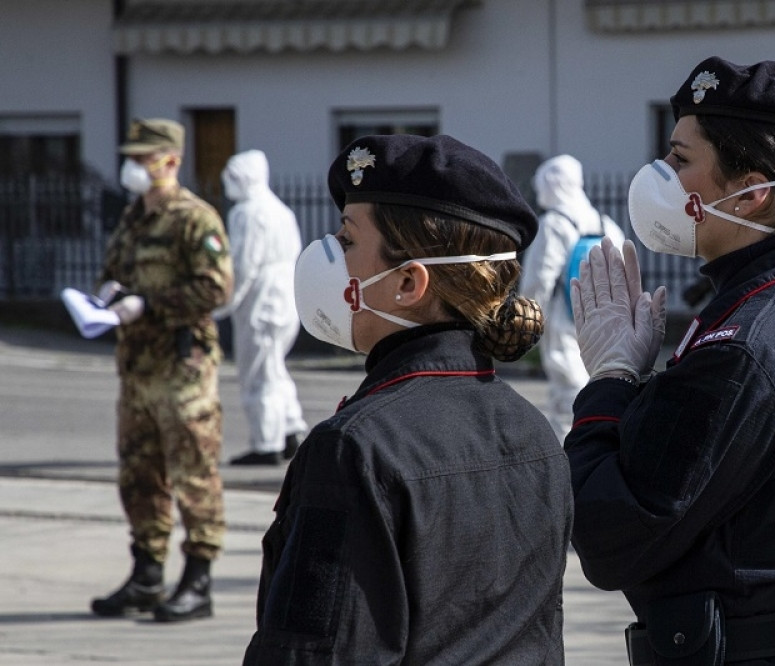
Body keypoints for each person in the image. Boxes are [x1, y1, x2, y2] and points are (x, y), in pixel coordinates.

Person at [567, 56, 775, 665]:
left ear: (752, 194)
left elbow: (610, 536)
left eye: (680, 159)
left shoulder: (743, 346)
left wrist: (610, 380)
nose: (660, 173)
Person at [242, 134, 574, 664]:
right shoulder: (535, 431)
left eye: (347, 240)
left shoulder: (354, 448)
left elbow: (318, 654)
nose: (330, 255)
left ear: (407, 284)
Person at [90, 118, 234, 623]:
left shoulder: (195, 218)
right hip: (137, 369)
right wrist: (108, 295)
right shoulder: (133, 217)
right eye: (131, 158)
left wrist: (148, 305)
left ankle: (198, 580)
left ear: (171, 160)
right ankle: (147, 574)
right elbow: (114, 272)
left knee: (193, 471)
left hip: (181, 368)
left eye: (143, 157)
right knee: (139, 472)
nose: (133, 166)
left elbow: (215, 288)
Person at [520, 154, 625, 441]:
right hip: (602, 317)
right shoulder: (604, 222)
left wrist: (529, 322)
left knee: (568, 390)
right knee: (600, 382)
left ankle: (569, 452)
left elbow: (539, 278)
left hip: (562, 317)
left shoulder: (553, 223)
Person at [215, 149, 308, 466]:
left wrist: (224, 303)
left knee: (257, 373)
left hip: (261, 301)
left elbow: (244, 265)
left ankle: (266, 442)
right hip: (285, 299)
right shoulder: (281, 210)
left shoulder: (247, 213)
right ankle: (291, 429)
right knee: (274, 367)